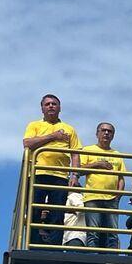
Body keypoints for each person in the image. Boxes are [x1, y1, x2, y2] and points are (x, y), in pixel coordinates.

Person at [23, 94, 83, 245]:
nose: (51, 106)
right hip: (38, 173)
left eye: (54, 104)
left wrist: (75, 175)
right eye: (47, 104)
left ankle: (55, 245)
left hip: (60, 176)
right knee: (35, 211)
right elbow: (27, 143)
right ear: (42, 108)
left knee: (58, 213)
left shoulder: (69, 129)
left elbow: (76, 154)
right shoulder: (34, 125)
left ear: (59, 108)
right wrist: (52, 136)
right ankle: (34, 244)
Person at [80, 122, 126, 249]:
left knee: (112, 233)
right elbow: (79, 170)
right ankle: (92, 259)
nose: (106, 133)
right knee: (93, 233)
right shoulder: (88, 150)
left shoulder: (117, 154)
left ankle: (112, 258)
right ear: (97, 133)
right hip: (93, 197)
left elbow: (121, 178)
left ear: (113, 136)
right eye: (103, 130)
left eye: (109, 131)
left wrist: (118, 195)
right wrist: (97, 164)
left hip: (112, 199)